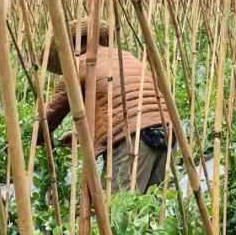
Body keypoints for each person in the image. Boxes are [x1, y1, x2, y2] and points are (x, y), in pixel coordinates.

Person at [42, 19, 170, 193]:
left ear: (71, 48)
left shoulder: (76, 66)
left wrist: (38, 140)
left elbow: (52, 114)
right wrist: (79, 136)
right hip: (166, 130)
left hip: (132, 139)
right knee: (152, 208)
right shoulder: (123, 55)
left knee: (119, 210)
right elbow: (117, 105)